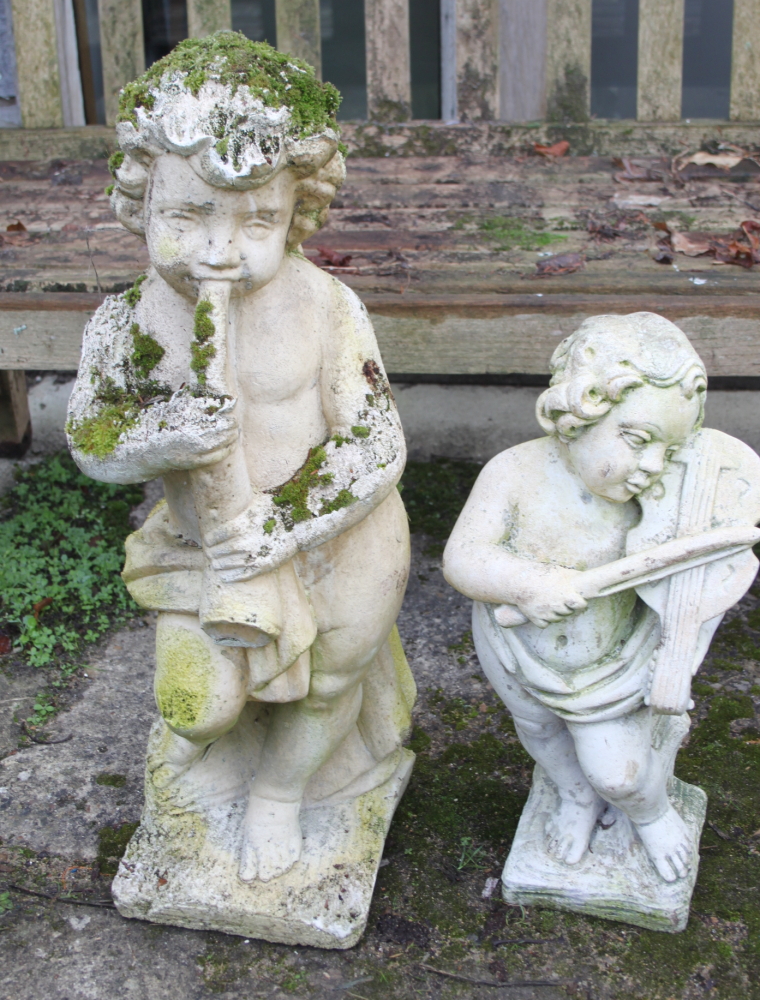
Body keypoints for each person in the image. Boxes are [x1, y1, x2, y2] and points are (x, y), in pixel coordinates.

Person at [67, 33, 413, 883]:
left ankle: (283, 793)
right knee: (194, 708)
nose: (221, 248)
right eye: (188, 217)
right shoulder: (125, 325)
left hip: (337, 539)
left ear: (298, 212)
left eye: (257, 220)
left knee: (331, 680)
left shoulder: (327, 306)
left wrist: (288, 523)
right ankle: (218, 743)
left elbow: (376, 439)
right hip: (202, 547)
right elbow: (90, 436)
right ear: (141, 204)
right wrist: (159, 438)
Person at [443, 313, 760, 883]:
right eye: (639, 440)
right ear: (579, 412)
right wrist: (528, 584)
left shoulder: (662, 497)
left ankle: (652, 811)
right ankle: (572, 797)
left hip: (611, 663)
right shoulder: (513, 473)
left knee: (618, 772)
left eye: (668, 450)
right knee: (540, 732)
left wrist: (679, 656)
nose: (651, 467)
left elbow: (698, 586)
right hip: (517, 647)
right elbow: (463, 558)